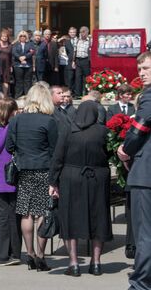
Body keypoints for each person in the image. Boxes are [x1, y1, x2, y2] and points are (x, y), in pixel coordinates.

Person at [49, 100, 112, 277]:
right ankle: (96, 262)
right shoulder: (103, 131)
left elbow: (58, 157)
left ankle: (74, 263)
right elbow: (110, 153)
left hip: (71, 178)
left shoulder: (69, 130)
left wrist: (52, 182)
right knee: (98, 218)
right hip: (97, 178)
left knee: (71, 218)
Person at [5, 82, 58, 271]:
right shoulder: (49, 121)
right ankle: (41, 255)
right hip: (44, 169)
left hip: (24, 169)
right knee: (43, 212)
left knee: (26, 212)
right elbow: (55, 150)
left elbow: (8, 146)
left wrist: (21, 152)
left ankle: (29, 254)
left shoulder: (17, 120)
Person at [117, 52, 151, 289]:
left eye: (147, 68)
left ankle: (141, 284)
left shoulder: (149, 95)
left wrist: (125, 149)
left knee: (145, 233)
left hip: (146, 172)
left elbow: (140, 127)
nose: (142, 73)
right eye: (140, 69)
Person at [0, 98, 21, 266]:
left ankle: (0, 253)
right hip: (12, 174)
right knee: (14, 215)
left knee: (1, 215)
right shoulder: (13, 128)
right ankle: (15, 252)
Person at [12, 30, 36, 98]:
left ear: (26, 37)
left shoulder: (30, 44)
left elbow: (32, 52)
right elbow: (14, 52)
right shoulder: (15, 44)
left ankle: (27, 96)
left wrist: (25, 57)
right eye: (21, 36)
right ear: (19, 37)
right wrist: (20, 58)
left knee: (28, 81)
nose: (22, 37)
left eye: (24, 36)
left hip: (28, 65)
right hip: (18, 65)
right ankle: (18, 96)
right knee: (19, 81)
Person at [73, 26, 91, 98]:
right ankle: (78, 94)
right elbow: (75, 51)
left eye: (83, 31)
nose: (82, 33)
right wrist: (73, 61)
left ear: (87, 32)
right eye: (81, 32)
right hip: (78, 60)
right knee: (78, 77)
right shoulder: (77, 40)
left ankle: (87, 93)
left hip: (86, 60)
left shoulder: (90, 40)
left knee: (87, 78)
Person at [0, 29, 13, 96]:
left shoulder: (10, 45)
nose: (4, 37)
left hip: (6, 65)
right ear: (0, 37)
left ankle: (5, 95)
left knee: (5, 80)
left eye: (6, 36)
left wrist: (11, 66)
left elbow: (11, 56)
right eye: (3, 36)